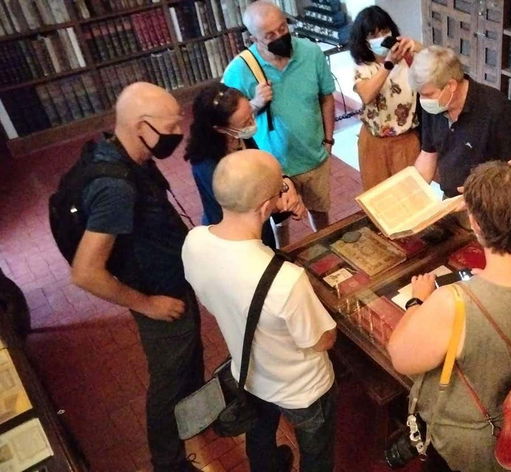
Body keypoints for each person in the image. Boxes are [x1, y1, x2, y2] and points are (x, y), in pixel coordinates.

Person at [387, 161, 511, 472]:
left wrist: (416, 303)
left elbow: (401, 358)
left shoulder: (453, 302)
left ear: (476, 225)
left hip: (476, 444)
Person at [70, 82, 203, 471]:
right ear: (142, 125)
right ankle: (169, 462)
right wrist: (148, 305)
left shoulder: (126, 152)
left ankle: (195, 412)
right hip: (157, 296)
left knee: (186, 361)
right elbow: (85, 273)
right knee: (168, 379)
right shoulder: (115, 189)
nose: (179, 133)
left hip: (169, 280)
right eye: (172, 126)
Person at [182, 149, 337, 472]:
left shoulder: (193, 242)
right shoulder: (285, 280)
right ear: (267, 205)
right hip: (302, 389)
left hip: (249, 375)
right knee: (316, 453)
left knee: (260, 437)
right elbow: (321, 340)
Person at [222, 0, 335, 246]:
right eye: (270, 35)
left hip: (314, 156)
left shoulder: (310, 52)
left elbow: (327, 97)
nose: (280, 37)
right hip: (272, 166)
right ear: (252, 38)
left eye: (283, 28)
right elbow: (227, 123)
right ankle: (284, 255)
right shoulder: (239, 70)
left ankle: (327, 248)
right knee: (278, 222)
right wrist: (255, 102)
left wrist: (328, 140)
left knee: (320, 213)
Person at [183, 83, 306, 247]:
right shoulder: (206, 163)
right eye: (244, 122)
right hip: (234, 240)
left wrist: (285, 183)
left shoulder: (239, 137)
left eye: (251, 115)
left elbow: (260, 170)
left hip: (261, 229)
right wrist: (280, 202)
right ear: (220, 128)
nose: (252, 123)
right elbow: (242, 205)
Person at [409, 46, 511, 199]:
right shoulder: (434, 108)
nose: (424, 101)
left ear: (451, 86)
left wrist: (480, 191)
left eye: (428, 94)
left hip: (487, 203)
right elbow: (428, 154)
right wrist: (411, 194)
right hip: (450, 198)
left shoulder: (496, 109)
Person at [349, 6, 422, 190]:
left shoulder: (409, 60)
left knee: (410, 194)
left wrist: (418, 47)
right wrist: (389, 64)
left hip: (406, 140)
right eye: (373, 35)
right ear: (363, 40)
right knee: (379, 195)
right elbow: (367, 95)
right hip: (375, 144)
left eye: (383, 31)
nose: (380, 37)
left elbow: (441, 62)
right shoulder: (363, 68)